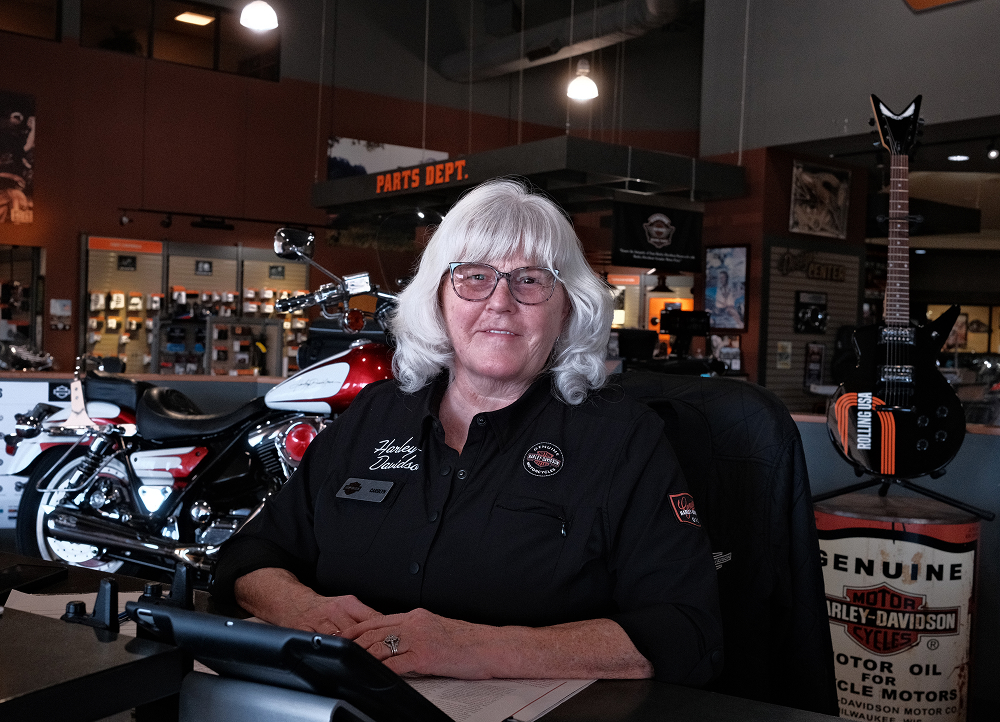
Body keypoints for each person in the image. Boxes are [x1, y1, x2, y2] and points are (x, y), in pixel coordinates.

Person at [212, 179, 723, 684]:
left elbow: (683, 628)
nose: (500, 301)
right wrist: (305, 610)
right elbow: (252, 554)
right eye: (474, 277)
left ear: (567, 306)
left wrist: (477, 648)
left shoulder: (623, 440)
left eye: (530, 279)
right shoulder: (373, 417)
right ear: (437, 297)